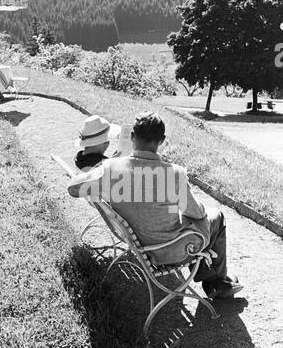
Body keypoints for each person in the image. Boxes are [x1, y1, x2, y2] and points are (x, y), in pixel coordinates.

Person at [68, 111, 243, 300]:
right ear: (162, 140)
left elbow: (73, 188)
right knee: (216, 216)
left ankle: (211, 277)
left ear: (132, 137)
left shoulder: (112, 169)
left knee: (184, 215)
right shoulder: (172, 174)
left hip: (139, 243)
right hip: (171, 251)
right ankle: (216, 281)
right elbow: (197, 213)